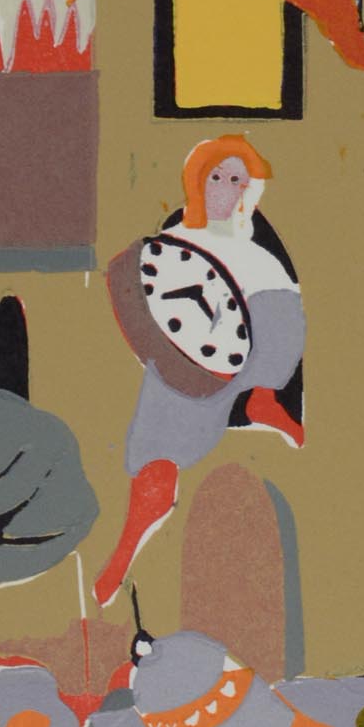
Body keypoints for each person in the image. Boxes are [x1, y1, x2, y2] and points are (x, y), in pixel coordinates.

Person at [94, 136, 304, 607]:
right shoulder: (175, 237)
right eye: (217, 177)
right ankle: (124, 551)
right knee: (156, 451)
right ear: (197, 181)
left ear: (249, 190)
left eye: (237, 181)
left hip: (234, 355)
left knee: (280, 305)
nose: (225, 189)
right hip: (184, 365)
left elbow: (279, 323)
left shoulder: (262, 258)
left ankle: (262, 397)